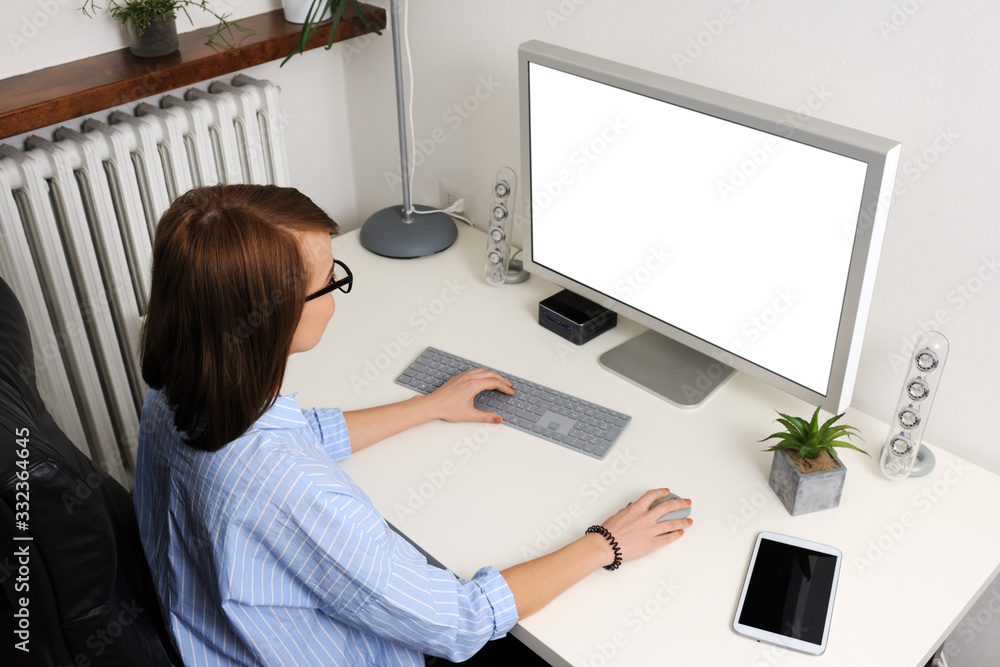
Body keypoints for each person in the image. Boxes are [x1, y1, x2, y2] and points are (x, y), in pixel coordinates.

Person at [133, 184, 692, 666]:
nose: (335, 300)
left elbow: (298, 434)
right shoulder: (291, 489)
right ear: (275, 315)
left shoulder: (177, 389)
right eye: (331, 282)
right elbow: (461, 620)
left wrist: (428, 407)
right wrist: (606, 544)